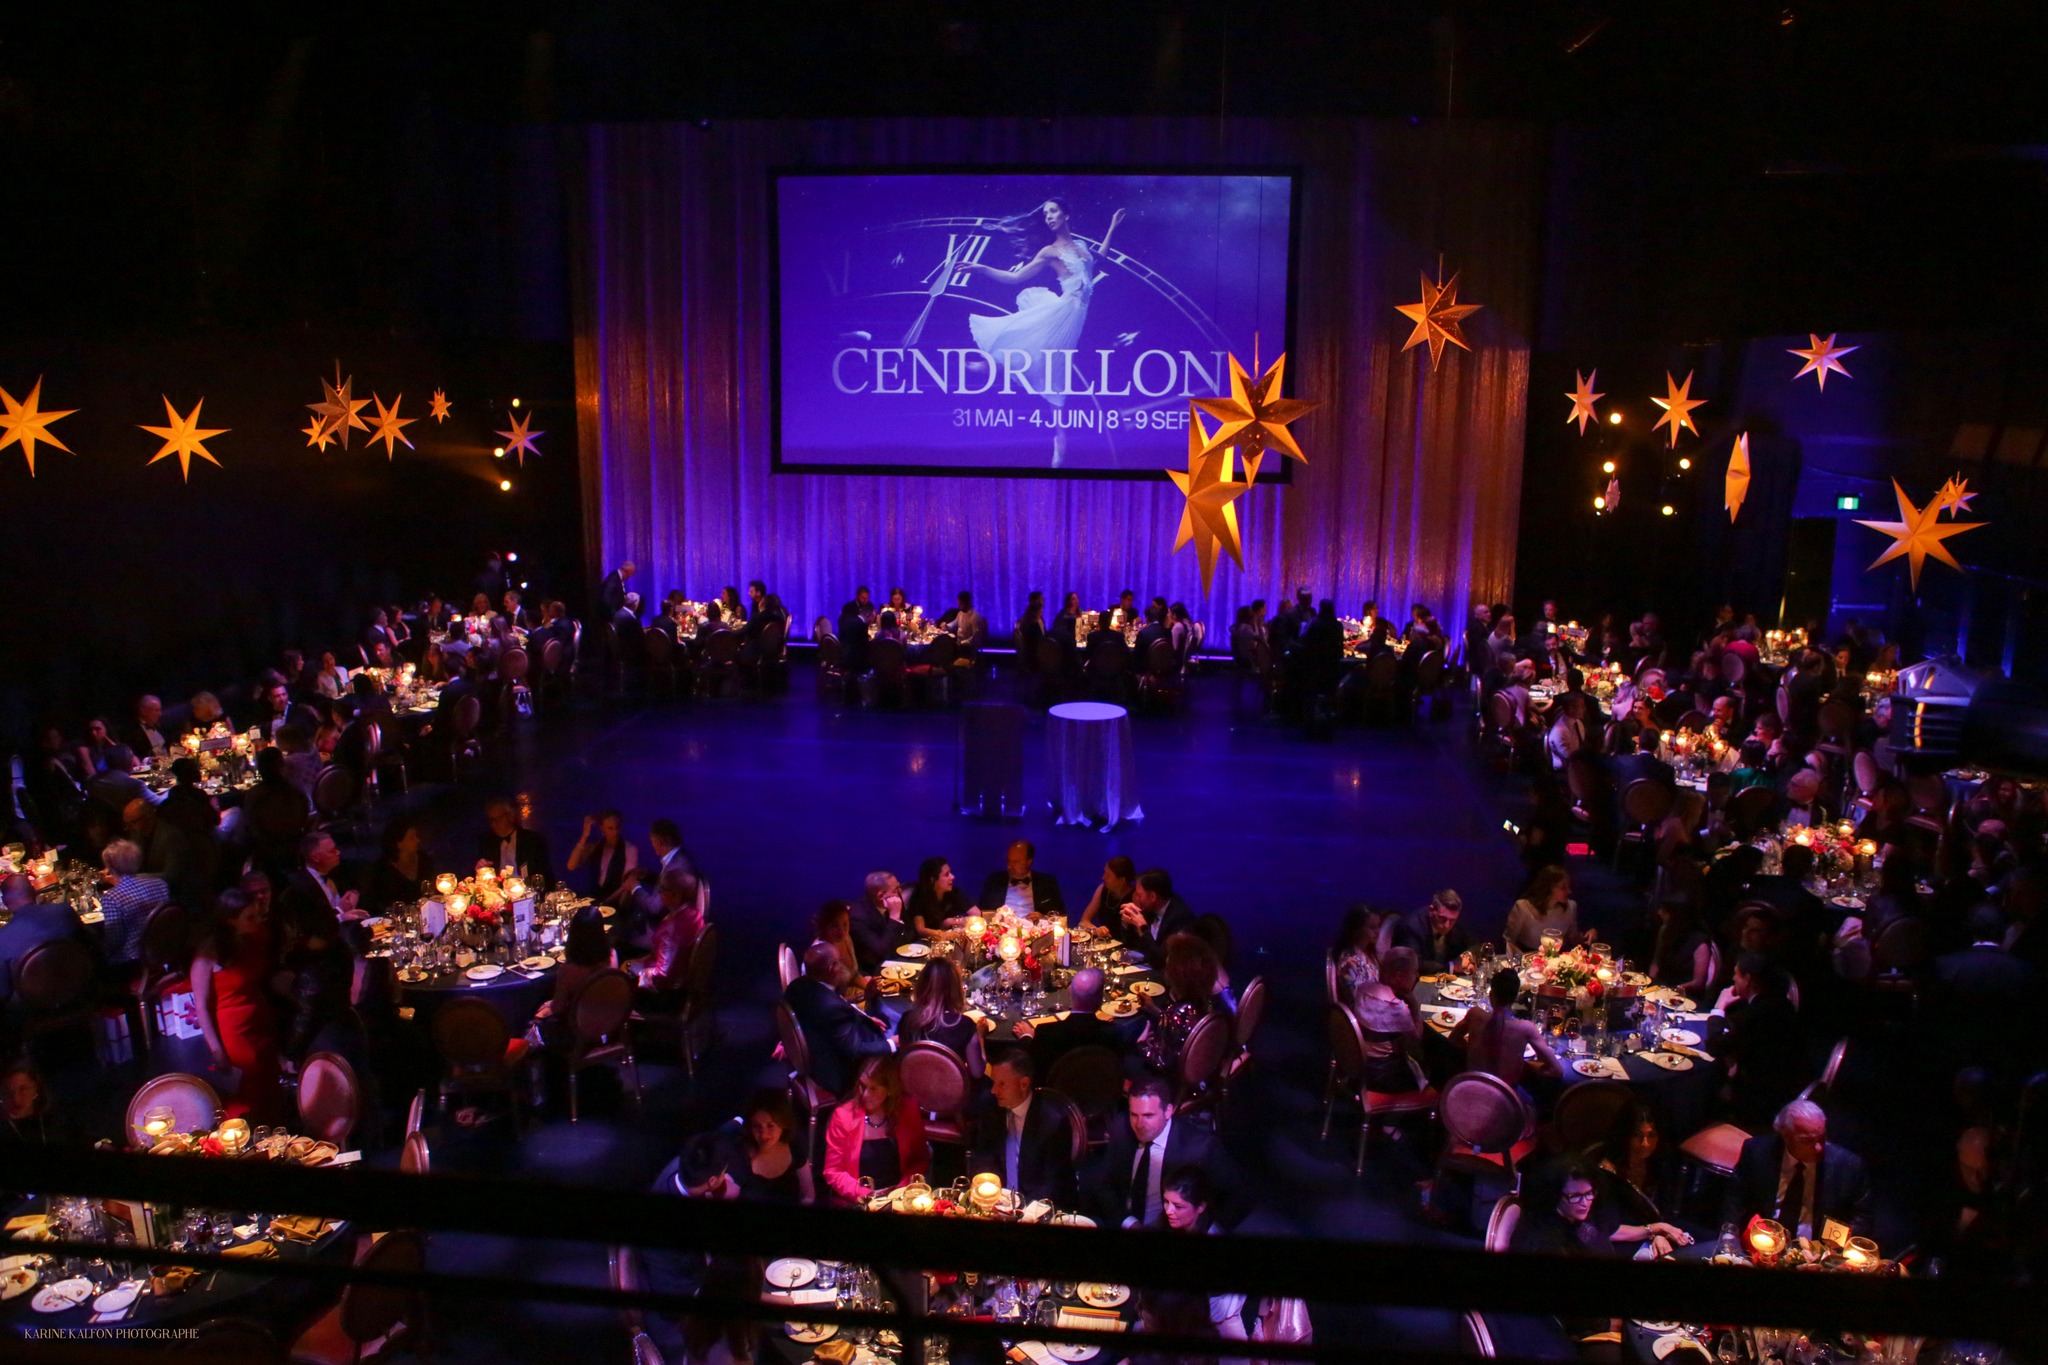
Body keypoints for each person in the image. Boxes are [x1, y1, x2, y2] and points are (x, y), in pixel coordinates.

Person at [961, 197, 1125, 463]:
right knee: (1045, 361)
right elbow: (1015, 277)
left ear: (1065, 215)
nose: (1049, 217)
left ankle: (997, 366)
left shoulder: (1081, 247)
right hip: (1062, 313)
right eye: (1046, 213)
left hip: (1075, 317)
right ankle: (1059, 437)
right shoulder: (1050, 252)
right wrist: (981, 268)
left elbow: (1099, 260)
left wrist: (1112, 227)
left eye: (1053, 211)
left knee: (1050, 367)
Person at [1509, 1161, 1627, 1361]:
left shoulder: (1573, 1218)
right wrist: (1608, 1323)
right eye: (1575, 1196)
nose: (1585, 1202)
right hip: (1562, 1337)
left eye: (1589, 1193)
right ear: (1555, 1194)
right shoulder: (1546, 1242)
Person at [190, 889, 284, 1123]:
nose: (257, 921)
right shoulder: (210, 951)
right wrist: (216, 1049)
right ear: (230, 920)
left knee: (270, 1082)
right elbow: (201, 1005)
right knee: (249, 1087)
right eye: (250, 917)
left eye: (258, 915)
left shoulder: (255, 937)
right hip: (235, 1029)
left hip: (260, 1018)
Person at [1723, 1098, 1872, 1239]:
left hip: (1817, 1249)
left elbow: (1863, 1218)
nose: (1818, 1148)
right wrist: (1729, 1236)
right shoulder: (1757, 1152)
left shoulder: (1848, 1166)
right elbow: (1735, 1199)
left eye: (1821, 1138)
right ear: (1785, 1135)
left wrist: (1832, 1246)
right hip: (1761, 1241)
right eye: (1806, 1140)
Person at [1093, 1075, 1222, 1229]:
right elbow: (1105, 1186)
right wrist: (1129, 1223)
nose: (1139, 1124)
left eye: (1148, 1116)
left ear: (1168, 1111)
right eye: (1134, 1115)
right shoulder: (1121, 1126)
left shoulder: (1200, 1147)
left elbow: (1236, 1195)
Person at [782, 941, 891, 1098]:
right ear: (831, 969)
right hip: (838, 1072)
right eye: (839, 962)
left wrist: (866, 1014)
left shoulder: (797, 986)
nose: (843, 966)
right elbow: (855, 1051)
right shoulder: (831, 1008)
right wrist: (891, 1044)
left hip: (820, 1050)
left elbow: (836, 1012)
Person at [970, 1048, 1075, 1204]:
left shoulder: (1053, 1122)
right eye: (993, 1083)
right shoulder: (990, 1108)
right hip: (998, 1202)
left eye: (1002, 1084)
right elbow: (983, 1157)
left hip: (1036, 1205)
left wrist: (1021, 1207)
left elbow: (1054, 1183)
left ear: (1023, 1084)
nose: (994, 1090)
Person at [1718, 952, 1809, 1130]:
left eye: (1736, 974)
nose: (1733, 978)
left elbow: (1717, 1047)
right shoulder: (1783, 1004)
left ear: (1748, 979)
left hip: (1758, 1101)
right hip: (1784, 1086)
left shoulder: (1757, 1014)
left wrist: (1719, 1008)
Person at [822, 1054, 929, 1204]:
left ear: (889, 1089)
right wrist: (867, 1196)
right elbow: (833, 1171)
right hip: (858, 1199)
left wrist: (902, 1190)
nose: (865, 1094)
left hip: (899, 1198)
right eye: (862, 1086)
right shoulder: (843, 1116)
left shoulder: (908, 1109)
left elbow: (920, 1159)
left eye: (873, 1088)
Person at [1140, 933, 1230, 1077]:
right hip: (1207, 1070)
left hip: (1174, 1081)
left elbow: (1163, 1063)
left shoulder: (1177, 1013)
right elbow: (1185, 1027)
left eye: (1168, 966)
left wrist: (1142, 1044)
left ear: (1178, 975)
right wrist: (1156, 1011)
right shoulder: (1207, 1001)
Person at [1452, 968, 1561, 1085]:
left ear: (1491, 994)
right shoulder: (1526, 1028)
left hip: (1471, 1088)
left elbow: (1453, 1039)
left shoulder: (1475, 1014)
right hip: (1504, 1094)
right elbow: (1556, 1070)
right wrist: (1524, 1066)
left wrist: (1474, 1052)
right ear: (1516, 997)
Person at [0, 875, 90, 1004]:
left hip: (31, 1010)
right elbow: (89, 945)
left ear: (5, 902)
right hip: (79, 994)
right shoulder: (64, 912)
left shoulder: (3, 937)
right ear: (34, 892)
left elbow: (3, 991)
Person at [1350, 946, 1426, 1094]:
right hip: (1382, 1074)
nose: (1417, 976)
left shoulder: (1363, 989)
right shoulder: (1396, 1007)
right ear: (1399, 975)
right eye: (1414, 971)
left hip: (1358, 1064)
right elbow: (1417, 1039)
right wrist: (1414, 1005)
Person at [897, 956, 985, 1077]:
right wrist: (980, 1037)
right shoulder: (965, 1025)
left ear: (921, 986)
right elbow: (977, 1073)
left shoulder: (907, 1020)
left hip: (916, 1085)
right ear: (955, 988)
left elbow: (906, 1062)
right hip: (953, 1087)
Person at [635, 864, 709, 1001]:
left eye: (663, 890)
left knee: (623, 968)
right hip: (683, 977)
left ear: (677, 896)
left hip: (667, 994)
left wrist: (642, 972)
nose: (660, 894)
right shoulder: (695, 915)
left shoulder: (669, 930)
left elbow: (663, 975)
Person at [732, 1090, 815, 1204]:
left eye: (770, 1126)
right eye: (757, 1126)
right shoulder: (740, 1152)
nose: (763, 1135)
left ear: (783, 1124)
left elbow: (808, 1192)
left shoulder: (794, 1145)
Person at [98, 838, 168, 969]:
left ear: (110, 867)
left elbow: (114, 940)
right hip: (163, 948)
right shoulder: (160, 884)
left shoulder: (112, 897)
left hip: (133, 959)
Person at [359, 815, 437, 911]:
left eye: (416, 835)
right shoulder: (383, 869)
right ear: (399, 844)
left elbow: (432, 889)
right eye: (411, 838)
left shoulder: (424, 859)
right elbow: (380, 902)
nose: (418, 840)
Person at [1384, 890, 1472, 974]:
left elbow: (1472, 945)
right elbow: (1413, 964)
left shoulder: (1455, 923)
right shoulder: (1411, 926)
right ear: (1431, 909)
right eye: (1442, 918)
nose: (1447, 925)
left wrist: (1467, 957)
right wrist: (1451, 967)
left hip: (1442, 978)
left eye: (1452, 920)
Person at [567, 809, 640, 904]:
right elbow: (571, 865)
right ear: (602, 828)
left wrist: (604, 903)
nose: (615, 832)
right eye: (610, 828)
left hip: (615, 901)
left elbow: (627, 885)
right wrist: (584, 835)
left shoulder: (630, 849)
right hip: (592, 898)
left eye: (617, 827)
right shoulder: (595, 846)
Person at [978, 840, 1065, 919]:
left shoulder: (1047, 883)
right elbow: (982, 913)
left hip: (1035, 929)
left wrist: (1044, 918)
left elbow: (1061, 916)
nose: (1009, 866)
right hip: (1002, 929)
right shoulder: (994, 881)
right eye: (1008, 860)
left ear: (1029, 862)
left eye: (1015, 862)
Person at [1116, 869, 1195, 954]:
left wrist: (1143, 928)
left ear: (1152, 897)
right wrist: (1126, 923)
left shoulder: (1180, 918)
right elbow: (1131, 946)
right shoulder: (1148, 909)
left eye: (1139, 894)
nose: (1135, 896)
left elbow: (1162, 958)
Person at [1504, 866, 1582, 951]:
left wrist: (1587, 935)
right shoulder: (1523, 907)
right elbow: (1509, 940)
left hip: (1557, 957)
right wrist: (1522, 957)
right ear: (1548, 888)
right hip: (1526, 955)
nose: (1569, 891)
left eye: (1568, 887)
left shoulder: (1571, 907)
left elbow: (1573, 939)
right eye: (1563, 888)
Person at [478, 798, 554, 882]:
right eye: (492, 820)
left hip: (526, 888)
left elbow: (544, 873)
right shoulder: (487, 842)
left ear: (511, 816)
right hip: (497, 889)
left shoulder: (533, 840)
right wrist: (480, 869)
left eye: (499, 818)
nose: (494, 824)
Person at [849, 870, 911, 973]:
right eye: (895, 889)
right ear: (881, 896)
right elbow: (881, 952)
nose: (900, 892)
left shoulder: (895, 899)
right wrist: (894, 916)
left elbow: (908, 930)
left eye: (899, 886)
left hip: (898, 958)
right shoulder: (858, 917)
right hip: (873, 969)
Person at [1329, 903, 1385, 1004]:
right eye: (1372, 927)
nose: (1378, 932)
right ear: (1357, 929)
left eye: (1378, 927)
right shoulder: (1349, 961)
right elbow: (1356, 1000)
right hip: (1365, 1010)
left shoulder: (1370, 955)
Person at [905, 857, 969, 939]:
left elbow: (974, 913)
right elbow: (921, 930)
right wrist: (943, 934)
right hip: (924, 943)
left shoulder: (953, 892)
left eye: (950, 872)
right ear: (933, 880)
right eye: (947, 874)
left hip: (947, 941)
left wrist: (954, 922)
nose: (952, 877)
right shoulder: (919, 897)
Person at [812, 901, 866, 993]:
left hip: (853, 992)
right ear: (825, 927)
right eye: (835, 926)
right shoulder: (820, 954)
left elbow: (854, 975)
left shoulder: (846, 938)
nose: (842, 931)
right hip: (834, 999)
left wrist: (871, 988)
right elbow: (821, 994)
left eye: (845, 924)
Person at [1078, 856, 1137, 931]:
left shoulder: (1135, 896)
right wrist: (1097, 930)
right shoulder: (1102, 889)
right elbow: (1084, 921)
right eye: (1104, 873)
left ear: (1122, 880)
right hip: (1104, 938)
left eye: (1108, 875)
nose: (1103, 877)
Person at [121, 694, 171, 762]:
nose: (160, 714)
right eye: (156, 710)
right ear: (144, 712)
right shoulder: (130, 731)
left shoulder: (161, 727)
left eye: (160, 710)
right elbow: (129, 756)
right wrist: (149, 760)